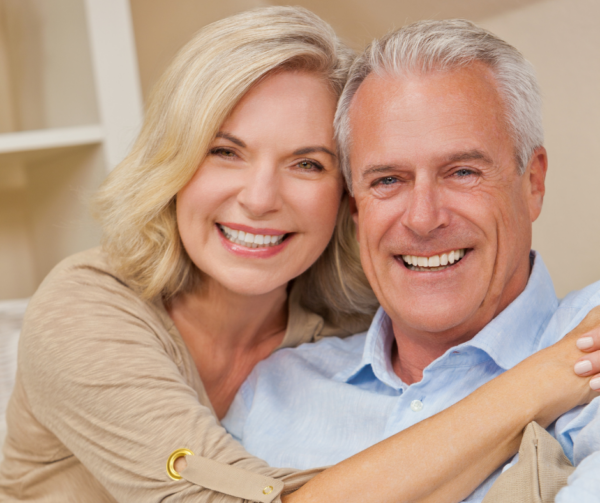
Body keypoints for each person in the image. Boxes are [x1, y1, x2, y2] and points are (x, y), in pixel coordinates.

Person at [0, 8, 598, 503]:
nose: (259, 199)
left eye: (307, 163)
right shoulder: (84, 313)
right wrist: (542, 380)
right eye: (224, 151)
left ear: (344, 197)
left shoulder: (352, 317)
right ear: (172, 163)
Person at [221, 19, 600, 503]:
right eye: (387, 180)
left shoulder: (589, 341)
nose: (423, 218)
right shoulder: (272, 392)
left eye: (462, 171)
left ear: (533, 184)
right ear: (355, 208)